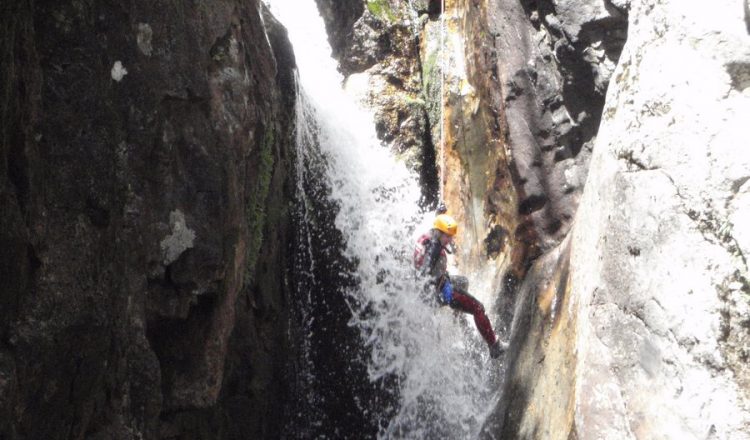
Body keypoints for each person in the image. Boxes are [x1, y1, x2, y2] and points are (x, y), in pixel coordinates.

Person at [414, 211, 508, 359]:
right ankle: (494, 346)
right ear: (439, 233)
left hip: (439, 284)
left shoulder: (429, 236)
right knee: (478, 307)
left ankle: (457, 314)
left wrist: (440, 212)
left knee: (463, 282)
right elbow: (425, 272)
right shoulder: (435, 248)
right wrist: (435, 292)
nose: (450, 239)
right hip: (439, 292)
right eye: (448, 236)